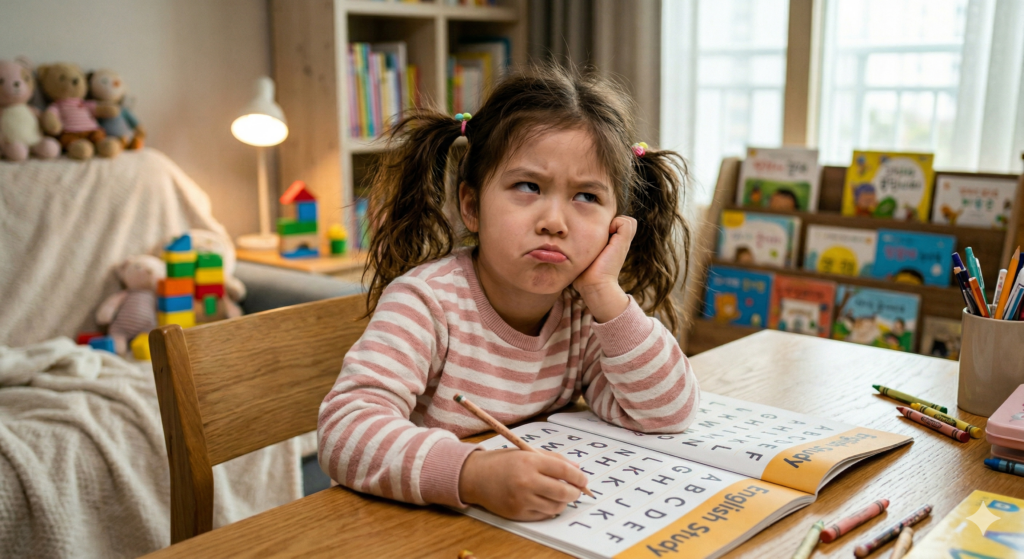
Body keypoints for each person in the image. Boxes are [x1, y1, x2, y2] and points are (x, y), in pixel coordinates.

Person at [317, 64, 701, 522]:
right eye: (527, 187)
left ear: (616, 223)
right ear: (472, 206)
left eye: (586, 198)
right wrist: (472, 475)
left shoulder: (584, 313)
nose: (554, 221)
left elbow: (667, 414)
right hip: (416, 524)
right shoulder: (427, 302)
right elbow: (345, 432)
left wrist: (605, 292)